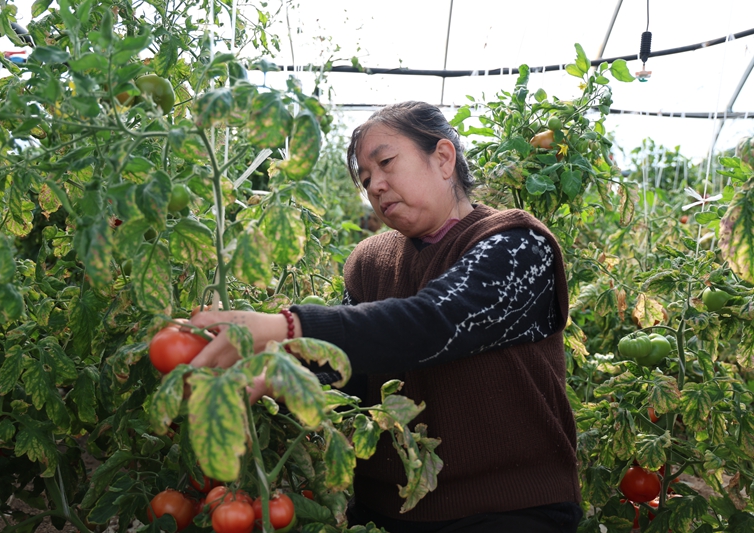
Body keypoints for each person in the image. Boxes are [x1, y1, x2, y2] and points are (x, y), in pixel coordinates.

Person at [189, 101, 582, 532]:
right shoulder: (371, 261)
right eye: (365, 178)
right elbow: (349, 372)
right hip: (384, 513)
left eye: (386, 163)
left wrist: (287, 326)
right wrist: (278, 374)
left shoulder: (517, 245)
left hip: (509, 510)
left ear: (444, 158)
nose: (376, 185)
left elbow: (436, 321)